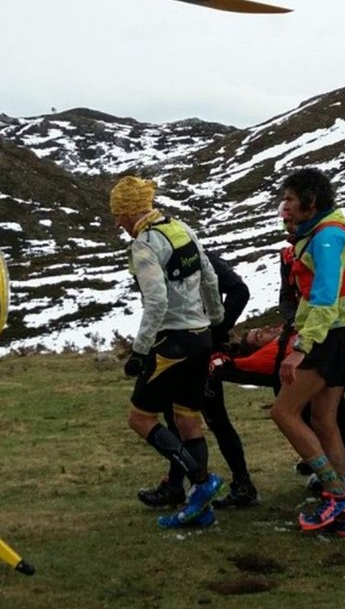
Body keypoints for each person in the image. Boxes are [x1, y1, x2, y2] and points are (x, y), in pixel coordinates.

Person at [111, 176, 225, 528]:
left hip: (171, 343)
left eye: (119, 215)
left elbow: (157, 300)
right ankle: (198, 508)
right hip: (201, 337)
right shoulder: (181, 228)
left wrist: (140, 350)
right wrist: (216, 321)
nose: (118, 223)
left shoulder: (145, 244)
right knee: (188, 419)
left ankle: (203, 483)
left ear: (129, 213)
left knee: (140, 418)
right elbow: (209, 278)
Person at [269, 168, 345, 533]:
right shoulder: (321, 234)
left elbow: (325, 297)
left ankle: (337, 493)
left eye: (290, 200)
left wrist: (301, 348)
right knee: (324, 419)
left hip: (329, 336)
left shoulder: (326, 239)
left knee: (284, 411)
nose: (284, 208)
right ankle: (343, 513)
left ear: (310, 201)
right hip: (340, 333)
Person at [138, 249, 259, 509]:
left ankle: (240, 484)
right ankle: (176, 487)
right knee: (176, 419)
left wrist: (217, 330)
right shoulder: (159, 261)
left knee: (214, 419)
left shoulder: (199, 258)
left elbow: (240, 290)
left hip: (199, 350)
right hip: (176, 350)